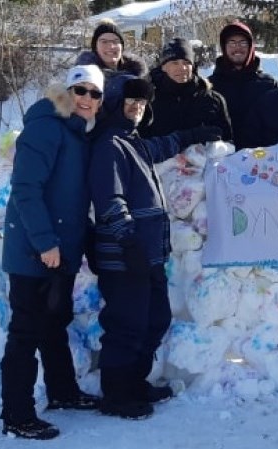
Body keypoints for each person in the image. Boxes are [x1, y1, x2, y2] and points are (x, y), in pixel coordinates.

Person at [89, 77, 221, 420]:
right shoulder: (109, 145)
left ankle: (135, 383)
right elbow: (109, 199)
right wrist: (128, 240)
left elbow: (163, 145)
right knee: (126, 324)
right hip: (125, 255)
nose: (137, 107)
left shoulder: (132, 142)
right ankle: (117, 393)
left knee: (156, 318)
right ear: (116, 102)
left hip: (147, 255)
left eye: (142, 103)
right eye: (130, 101)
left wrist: (193, 135)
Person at [0, 65, 105, 440]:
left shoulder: (76, 135)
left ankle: (62, 393)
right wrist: (45, 243)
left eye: (96, 94)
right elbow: (26, 189)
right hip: (34, 250)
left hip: (59, 252)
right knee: (25, 332)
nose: (87, 99)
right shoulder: (46, 127)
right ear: (66, 92)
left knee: (53, 323)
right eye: (81, 90)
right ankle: (17, 414)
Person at [139, 37, 233, 141]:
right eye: (175, 63)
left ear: (192, 66)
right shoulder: (149, 101)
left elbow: (228, 142)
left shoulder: (212, 100)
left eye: (186, 62)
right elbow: (142, 144)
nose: (182, 68)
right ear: (163, 67)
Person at [208, 21, 277, 149]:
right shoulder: (211, 85)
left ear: (251, 46)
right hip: (222, 159)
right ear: (224, 47)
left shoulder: (267, 84)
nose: (237, 48)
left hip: (261, 158)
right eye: (232, 43)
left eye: (243, 43)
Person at [77, 19, 147, 110]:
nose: (111, 46)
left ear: (122, 46)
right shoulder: (82, 79)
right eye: (104, 41)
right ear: (95, 47)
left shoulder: (139, 75)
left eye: (115, 41)